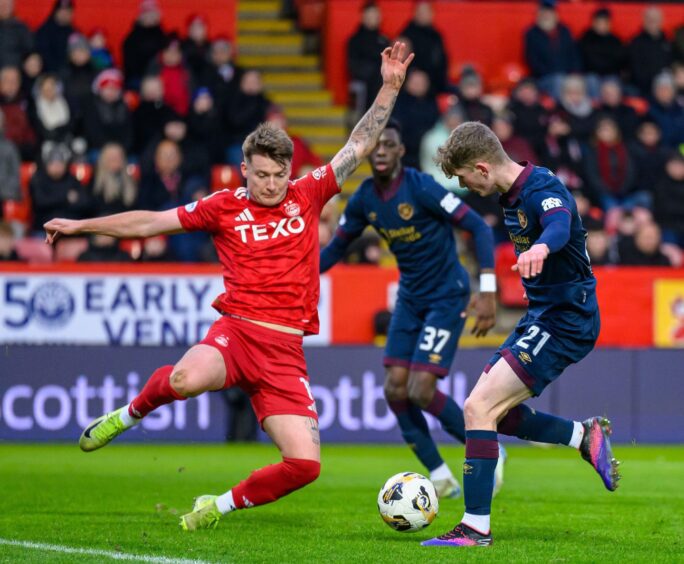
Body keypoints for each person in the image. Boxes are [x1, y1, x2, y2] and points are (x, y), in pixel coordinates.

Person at [44, 41, 415, 531]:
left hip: (285, 351)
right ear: (244, 169)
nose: (271, 184)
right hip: (237, 333)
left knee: (305, 466)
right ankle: (128, 415)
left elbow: (360, 144)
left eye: (279, 175)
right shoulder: (223, 206)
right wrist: (80, 226)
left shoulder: (308, 193)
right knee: (183, 380)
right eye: (261, 175)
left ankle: (214, 507)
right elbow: (149, 224)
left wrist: (389, 88)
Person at [422, 121, 620, 547]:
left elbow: (559, 222)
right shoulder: (512, 193)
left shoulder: (541, 187)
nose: (463, 186)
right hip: (545, 316)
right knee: (498, 415)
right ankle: (583, 436)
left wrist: (542, 247)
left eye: (461, 178)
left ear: (481, 167)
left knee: (477, 407)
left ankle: (475, 528)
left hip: (566, 320)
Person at [320, 119, 503, 498]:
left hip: (446, 294)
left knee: (421, 389)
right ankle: (438, 473)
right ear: (370, 153)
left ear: (402, 152)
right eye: (377, 146)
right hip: (410, 298)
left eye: (390, 144)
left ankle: (489, 447)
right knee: (394, 388)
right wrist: (298, 274)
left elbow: (480, 229)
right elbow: (336, 247)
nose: (382, 150)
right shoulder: (365, 199)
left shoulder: (421, 187)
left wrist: (486, 290)